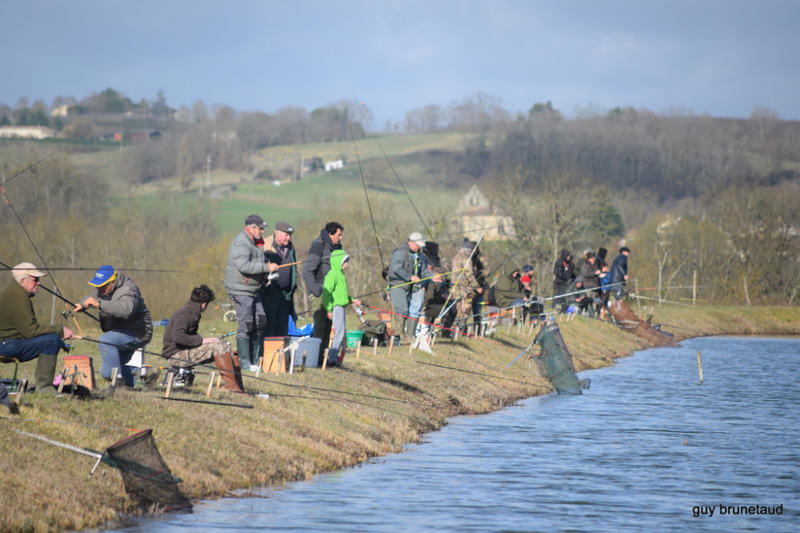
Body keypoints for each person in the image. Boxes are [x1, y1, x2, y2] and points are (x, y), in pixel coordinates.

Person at [0, 263, 74, 395]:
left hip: (7, 342)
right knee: (52, 341)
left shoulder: (14, 293)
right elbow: (31, 331)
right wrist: (60, 330)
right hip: (6, 345)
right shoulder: (18, 299)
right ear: (23, 281)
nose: (38, 283)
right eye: (35, 279)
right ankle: (44, 388)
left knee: (52, 339)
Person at [74, 265, 152, 388]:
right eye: (98, 286)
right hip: (119, 333)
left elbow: (126, 310)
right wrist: (82, 304)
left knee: (106, 340)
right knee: (106, 372)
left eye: (103, 286)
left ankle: (118, 386)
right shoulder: (103, 290)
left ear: (113, 282)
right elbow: (91, 298)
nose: (100, 289)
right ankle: (142, 375)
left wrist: (99, 304)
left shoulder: (128, 289)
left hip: (137, 333)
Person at [162, 285, 245, 392]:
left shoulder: (191, 312)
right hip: (176, 356)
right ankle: (232, 386)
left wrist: (206, 340)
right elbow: (178, 337)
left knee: (226, 347)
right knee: (219, 348)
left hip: (183, 351)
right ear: (204, 304)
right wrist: (203, 341)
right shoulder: (185, 314)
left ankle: (238, 387)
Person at [224, 214, 278, 372]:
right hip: (241, 289)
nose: (262, 231)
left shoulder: (256, 242)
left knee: (260, 321)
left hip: (254, 288)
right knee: (246, 324)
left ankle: (255, 361)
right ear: (252, 228)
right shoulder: (241, 242)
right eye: (260, 228)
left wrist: (265, 272)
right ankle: (245, 363)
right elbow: (244, 266)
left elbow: (255, 264)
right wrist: (266, 268)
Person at [302, 221, 343, 365]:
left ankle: (323, 359)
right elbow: (307, 271)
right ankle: (314, 360)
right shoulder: (318, 246)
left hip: (332, 294)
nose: (341, 237)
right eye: (339, 234)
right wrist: (317, 290)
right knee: (319, 327)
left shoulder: (337, 247)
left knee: (328, 326)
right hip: (319, 293)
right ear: (331, 234)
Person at [321, 250, 360, 367]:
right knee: (339, 333)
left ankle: (335, 357)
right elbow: (326, 294)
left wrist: (352, 299)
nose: (346, 264)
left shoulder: (341, 275)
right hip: (336, 308)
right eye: (344, 261)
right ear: (338, 261)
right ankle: (332, 359)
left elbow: (341, 295)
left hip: (342, 307)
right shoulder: (333, 274)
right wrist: (328, 309)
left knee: (341, 332)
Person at [387, 232, 428, 339]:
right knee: (402, 310)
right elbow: (396, 268)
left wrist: (433, 276)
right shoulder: (400, 253)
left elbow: (424, 272)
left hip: (412, 288)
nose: (419, 247)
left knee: (413, 310)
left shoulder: (421, 256)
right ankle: (398, 335)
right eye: (417, 245)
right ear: (411, 242)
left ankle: (410, 335)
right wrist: (410, 277)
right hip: (398, 285)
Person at [263, 221, 298, 337]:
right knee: (271, 325)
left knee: (283, 326)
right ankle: (269, 352)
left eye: (290, 235)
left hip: (287, 293)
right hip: (271, 293)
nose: (289, 238)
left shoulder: (290, 247)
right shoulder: (266, 245)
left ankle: (281, 352)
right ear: (277, 233)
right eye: (286, 235)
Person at [450, 240, 482, 333]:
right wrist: (477, 287)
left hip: (455, 288)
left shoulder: (456, 257)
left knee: (458, 309)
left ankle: (455, 331)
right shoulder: (467, 257)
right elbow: (469, 273)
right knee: (466, 310)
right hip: (465, 289)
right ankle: (462, 330)